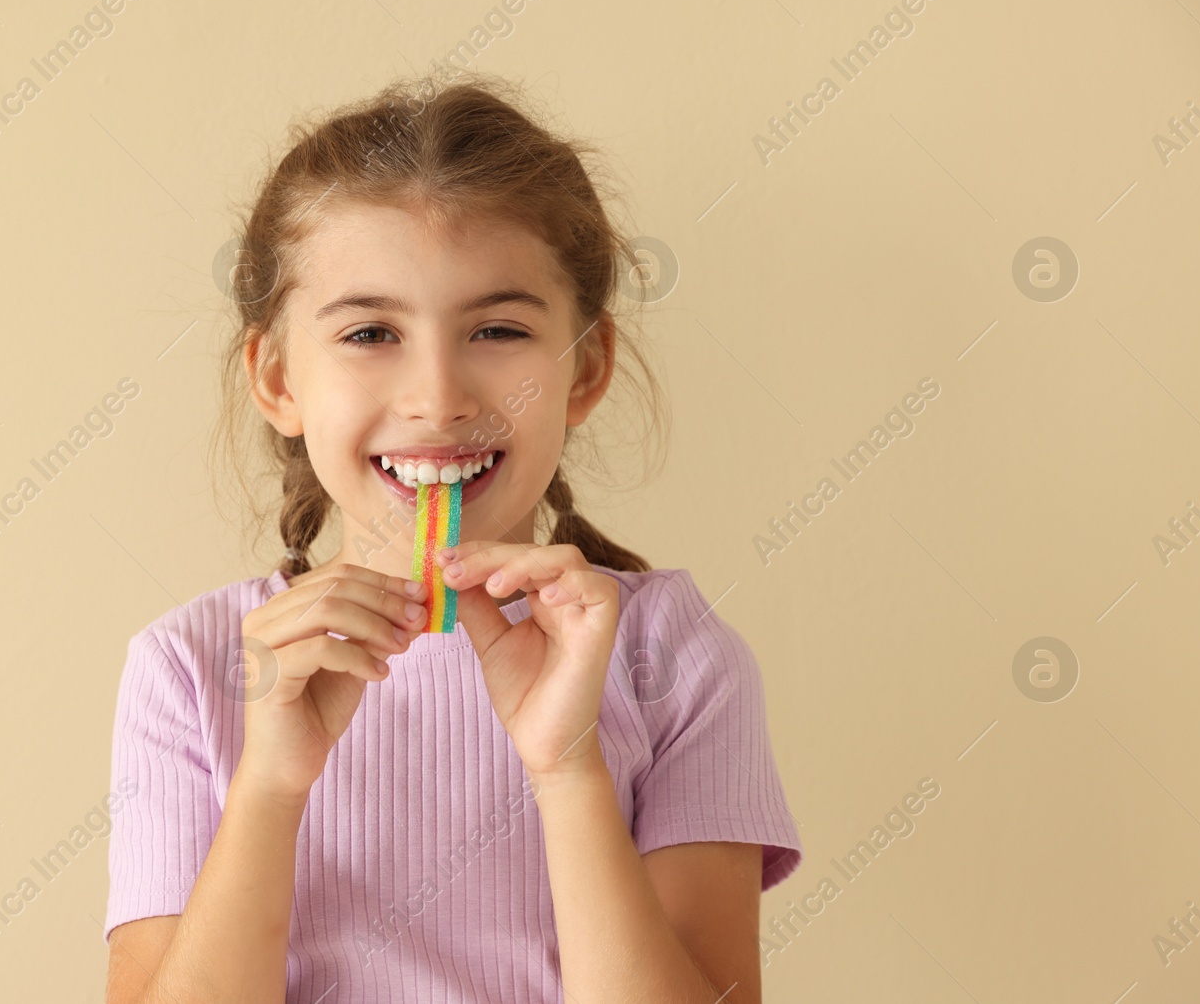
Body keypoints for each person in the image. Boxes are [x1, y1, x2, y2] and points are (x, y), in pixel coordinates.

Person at [102, 72, 803, 1003]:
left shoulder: (672, 656)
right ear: (277, 378)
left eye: (499, 328)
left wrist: (569, 766)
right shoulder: (188, 668)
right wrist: (269, 788)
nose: (438, 397)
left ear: (583, 369)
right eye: (369, 333)